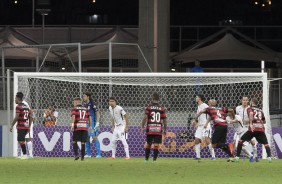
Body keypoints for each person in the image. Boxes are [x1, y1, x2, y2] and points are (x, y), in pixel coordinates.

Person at [234, 98, 272, 163]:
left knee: (240, 141)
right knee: (266, 144)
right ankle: (269, 158)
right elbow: (264, 121)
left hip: (252, 129)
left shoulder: (249, 108)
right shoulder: (260, 110)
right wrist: (259, 123)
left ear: (251, 102)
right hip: (260, 129)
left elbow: (251, 113)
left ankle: (237, 157)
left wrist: (251, 123)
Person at [141, 92, 167, 162]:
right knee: (156, 145)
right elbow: (164, 120)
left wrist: (142, 126)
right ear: (159, 99)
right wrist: (165, 129)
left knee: (148, 144)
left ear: (152, 98)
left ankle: (146, 160)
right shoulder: (162, 109)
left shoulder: (148, 108)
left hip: (150, 128)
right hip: (158, 129)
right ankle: (154, 160)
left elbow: (145, 117)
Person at [191, 95, 215, 160]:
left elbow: (211, 115)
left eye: (196, 97)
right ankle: (198, 157)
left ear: (200, 98)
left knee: (207, 140)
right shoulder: (198, 107)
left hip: (206, 125)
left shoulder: (205, 105)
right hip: (200, 126)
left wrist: (207, 123)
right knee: (196, 140)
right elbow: (199, 117)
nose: (195, 98)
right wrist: (195, 123)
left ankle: (213, 156)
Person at [10, 92, 32, 160]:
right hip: (26, 126)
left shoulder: (18, 107)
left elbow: (16, 117)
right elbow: (30, 117)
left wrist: (11, 125)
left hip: (21, 126)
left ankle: (25, 155)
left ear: (18, 98)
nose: (14, 100)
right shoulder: (26, 106)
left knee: (21, 140)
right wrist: (29, 126)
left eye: (15, 98)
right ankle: (24, 155)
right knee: (21, 140)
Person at [236, 95, 258, 162]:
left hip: (248, 127)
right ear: (241, 101)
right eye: (243, 100)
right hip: (240, 128)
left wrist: (244, 120)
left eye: (246, 100)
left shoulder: (250, 108)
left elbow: (253, 119)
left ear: (248, 101)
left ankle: (255, 156)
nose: (245, 101)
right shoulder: (237, 108)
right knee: (238, 145)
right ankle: (250, 156)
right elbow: (236, 117)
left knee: (253, 142)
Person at [82, 92, 101, 158]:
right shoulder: (84, 105)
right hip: (86, 123)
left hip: (92, 123)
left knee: (94, 137)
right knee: (87, 138)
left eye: (84, 96)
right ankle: (88, 154)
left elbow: (98, 113)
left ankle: (99, 154)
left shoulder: (93, 104)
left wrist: (97, 122)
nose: (83, 97)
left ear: (88, 97)